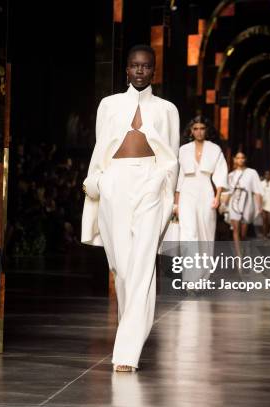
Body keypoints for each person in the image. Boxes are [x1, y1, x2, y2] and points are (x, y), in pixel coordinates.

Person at [81, 44, 179, 372]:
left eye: (146, 66)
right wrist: (102, 180)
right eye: (135, 66)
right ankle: (129, 327)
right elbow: (100, 146)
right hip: (116, 182)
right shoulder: (108, 105)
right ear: (126, 69)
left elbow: (172, 155)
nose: (140, 71)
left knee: (141, 265)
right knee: (123, 266)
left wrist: (168, 190)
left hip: (151, 179)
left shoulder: (167, 109)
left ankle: (126, 353)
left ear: (154, 70)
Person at [174, 116, 227, 280]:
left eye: (202, 128)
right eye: (195, 128)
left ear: (206, 130)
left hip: (206, 191)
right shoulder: (183, 149)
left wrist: (217, 197)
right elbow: (179, 177)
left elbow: (220, 174)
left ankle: (203, 277)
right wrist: (176, 203)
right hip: (187, 192)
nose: (199, 131)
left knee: (206, 234)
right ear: (191, 131)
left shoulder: (215, 149)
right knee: (188, 234)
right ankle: (191, 279)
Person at [221, 152, 263, 258]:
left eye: (242, 157)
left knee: (243, 233)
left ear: (245, 159)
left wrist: (259, 206)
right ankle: (239, 255)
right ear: (234, 159)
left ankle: (242, 249)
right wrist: (222, 204)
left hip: (247, 203)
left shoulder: (252, 173)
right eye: (238, 158)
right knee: (236, 230)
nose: (240, 159)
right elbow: (228, 192)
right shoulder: (230, 175)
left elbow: (257, 190)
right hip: (234, 203)